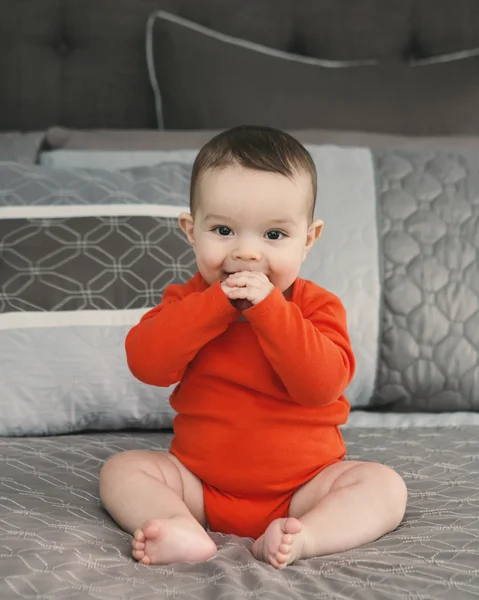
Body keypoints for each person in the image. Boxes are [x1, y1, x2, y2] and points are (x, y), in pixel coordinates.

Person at [99, 125, 407, 569]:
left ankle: (306, 537)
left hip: (305, 489)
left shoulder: (316, 307)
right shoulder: (187, 303)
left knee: (384, 487)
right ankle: (176, 524)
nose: (245, 253)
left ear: (309, 239)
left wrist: (270, 312)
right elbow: (147, 363)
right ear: (191, 231)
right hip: (200, 486)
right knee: (123, 470)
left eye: (274, 235)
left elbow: (319, 387)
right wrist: (213, 307)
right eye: (223, 230)